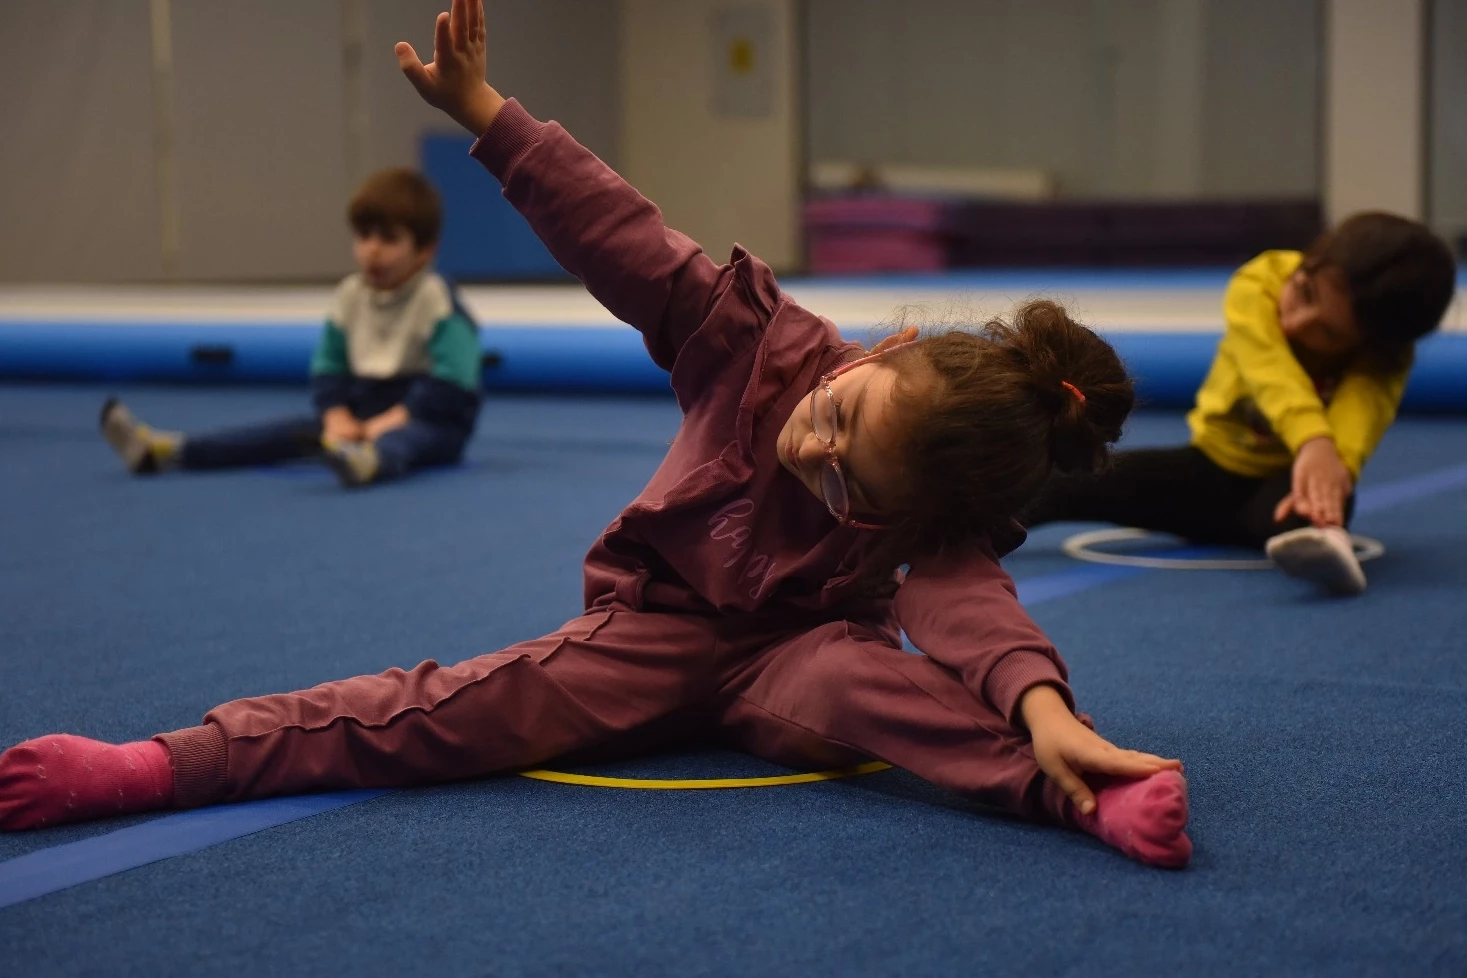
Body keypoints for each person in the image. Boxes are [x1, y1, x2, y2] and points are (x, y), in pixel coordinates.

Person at [0, 0, 1191, 868]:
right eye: (840, 419)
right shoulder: (762, 346)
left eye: (846, 488)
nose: (812, 452)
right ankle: (159, 763)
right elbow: (627, 241)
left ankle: (1070, 796)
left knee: (873, 685)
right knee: (447, 708)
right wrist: (489, 117)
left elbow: (969, 606)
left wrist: (1044, 716)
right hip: (655, 634)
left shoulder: (933, 512)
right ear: (878, 352)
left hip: (795, 655)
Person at [1023, 213, 1456, 595]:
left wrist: (1331, 465)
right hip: (1207, 473)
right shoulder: (1259, 284)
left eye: (1327, 333)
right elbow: (1271, 369)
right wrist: (1313, 439)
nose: (1296, 323)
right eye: (1304, 293)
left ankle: (1326, 537)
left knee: (1318, 505)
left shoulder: (1385, 357)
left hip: (1284, 490)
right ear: (1310, 257)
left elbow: (1360, 412)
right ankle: (970, 524)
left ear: (1371, 344)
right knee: (1070, 484)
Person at [100, 168, 481, 488]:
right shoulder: (350, 294)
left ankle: (373, 461)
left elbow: (453, 381)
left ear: (425, 250)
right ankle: (169, 450)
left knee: (408, 440)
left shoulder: (436, 297)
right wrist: (335, 415)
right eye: (364, 237)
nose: (373, 251)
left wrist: (389, 421)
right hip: (360, 412)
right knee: (285, 432)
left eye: (389, 239)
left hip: (430, 419)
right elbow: (328, 366)